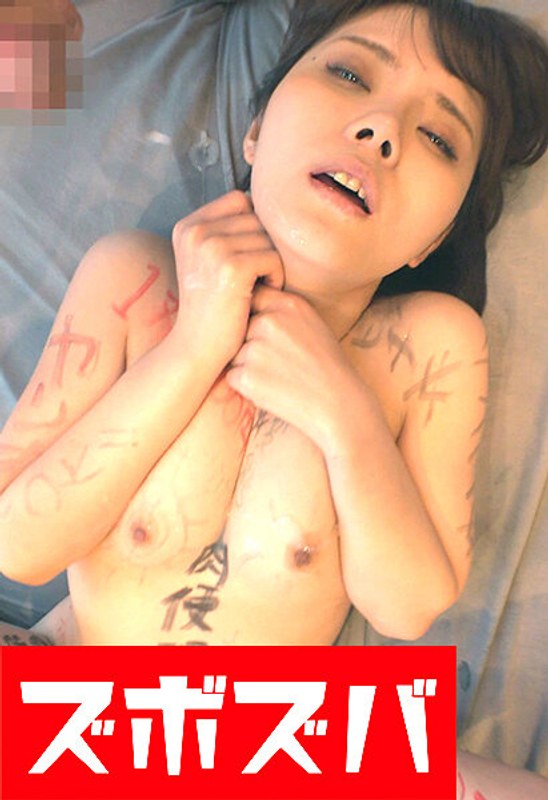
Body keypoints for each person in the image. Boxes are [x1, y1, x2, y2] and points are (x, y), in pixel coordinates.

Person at [0, 0, 546, 649]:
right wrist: (194, 347)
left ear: (436, 237)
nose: (384, 129)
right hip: (62, 687)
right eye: (350, 74)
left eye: (438, 138)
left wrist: (342, 412)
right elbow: (16, 545)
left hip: (271, 712)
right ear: (255, 129)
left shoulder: (432, 344)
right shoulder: (133, 281)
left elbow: (408, 608)